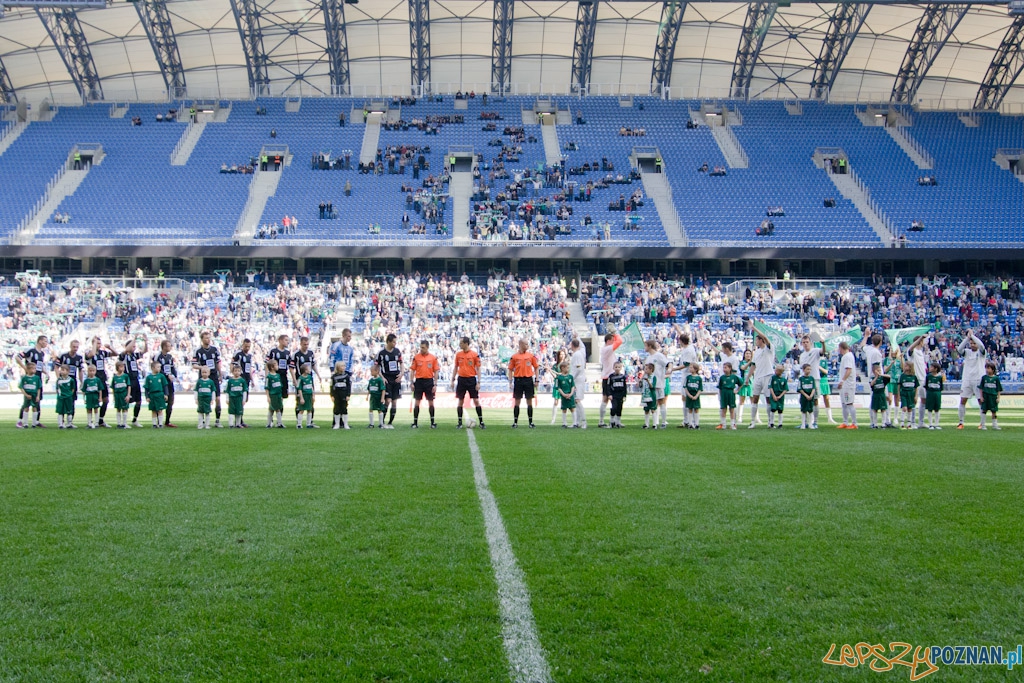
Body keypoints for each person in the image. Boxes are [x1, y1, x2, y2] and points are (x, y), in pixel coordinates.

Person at [451, 337, 485, 429]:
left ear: (466, 344)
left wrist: (479, 382)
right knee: (460, 401)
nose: (459, 344)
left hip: (471, 380)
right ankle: (459, 423)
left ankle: (481, 422)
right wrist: (453, 379)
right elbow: (455, 367)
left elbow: (478, 368)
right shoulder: (458, 354)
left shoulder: (474, 355)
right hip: (461, 379)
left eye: (461, 343)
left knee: (476, 401)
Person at [191, 331, 222, 428]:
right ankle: (202, 421)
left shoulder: (215, 350)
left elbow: (218, 363)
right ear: (202, 339)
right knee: (203, 399)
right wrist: (202, 368)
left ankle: (217, 420)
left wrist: (220, 373)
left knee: (217, 398)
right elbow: (194, 365)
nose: (208, 339)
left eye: (209, 337)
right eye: (206, 338)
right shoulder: (198, 351)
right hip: (203, 378)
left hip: (214, 376)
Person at [17, 336, 49, 427]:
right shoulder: (30, 350)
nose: (46, 343)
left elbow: (39, 366)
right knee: (27, 402)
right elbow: (17, 357)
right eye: (45, 341)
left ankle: (36, 421)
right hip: (29, 379)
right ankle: (20, 420)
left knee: (37, 400)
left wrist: (46, 373)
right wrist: (25, 368)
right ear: (39, 341)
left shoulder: (42, 353)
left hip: (37, 379)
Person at [508, 339, 540, 428]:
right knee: (517, 401)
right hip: (518, 380)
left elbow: (536, 367)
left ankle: (530, 422)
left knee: (529, 401)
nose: (527, 346)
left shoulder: (531, 356)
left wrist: (537, 380)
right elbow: (510, 369)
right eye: (526, 344)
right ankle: (515, 422)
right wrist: (510, 381)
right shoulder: (514, 357)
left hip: (528, 380)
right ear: (521, 344)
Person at [956, 331, 985, 430]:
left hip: (978, 379)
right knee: (963, 400)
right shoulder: (967, 352)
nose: (972, 345)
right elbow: (959, 349)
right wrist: (967, 338)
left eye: (974, 343)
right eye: (971, 343)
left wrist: (972, 335)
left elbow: (981, 345)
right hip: (967, 379)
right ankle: (961, 422)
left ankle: (982, 423)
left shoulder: (981, 353)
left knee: (980, 401)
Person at [375, 334, 404, 429]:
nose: (395, 344)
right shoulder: (381, 353)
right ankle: (381, 422)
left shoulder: (397, 351)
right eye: (394, 342)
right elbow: (376, 367)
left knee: (394, 402)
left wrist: (402, 373)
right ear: (388, 342)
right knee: (388, 400)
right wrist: (382, 377)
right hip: (387, 379)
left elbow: (401, 363)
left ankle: (390, 423)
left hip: (396, 378)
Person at [410, 340, 440, 429]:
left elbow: (436, 371)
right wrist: (411, 382)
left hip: (429, 382)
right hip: (418, 381)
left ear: (427, 347)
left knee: (431, 402)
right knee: (417, 402)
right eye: (420, 347)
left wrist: (435, 384)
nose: (421, 349)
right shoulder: (416, 357)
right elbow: (412, 370)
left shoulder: (433, 358)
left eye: (423, 347)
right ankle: (415, 423)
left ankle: (432, 422)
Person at [85, 337, 114, 427]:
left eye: (100, 343)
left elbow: (115, 354)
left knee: (106, 400)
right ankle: (91, 422)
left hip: (102, 379)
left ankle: (100, 420)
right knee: (93, 402)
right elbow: (92, 354)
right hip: (93, 380)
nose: (99, 345)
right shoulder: (88, 353)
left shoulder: (102, 353)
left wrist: (110, 347)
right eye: (97, 343)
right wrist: (94, 342)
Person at [748, 329, 774, 429]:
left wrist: (754, 328)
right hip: (757, 377)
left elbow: (766, 338)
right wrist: (748, 378)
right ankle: (753, 421)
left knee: (768, 399)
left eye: (757, 339)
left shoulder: (769, 348)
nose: (756, 341)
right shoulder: (757, 352)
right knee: (755, 398)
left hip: (767, 375)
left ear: (761, 340)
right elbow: (753, 366)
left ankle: (770, 422)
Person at [671, 331, 698, 428]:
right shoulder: (688, 349)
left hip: (688, 375)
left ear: (682, 341)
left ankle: (690, 420)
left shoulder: (688, 350)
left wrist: (673, 369)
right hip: (685, 374)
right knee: (684, 397)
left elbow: (686, 364)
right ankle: (688, 420)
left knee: (687, 397)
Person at [292, 336, 319, 428]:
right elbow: (292, 368)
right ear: (301, 344)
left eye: (307, 344)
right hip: (301, 381)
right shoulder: (296, 355)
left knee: (311, 400)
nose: (306, 346)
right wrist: (294, 380)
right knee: (299, 401)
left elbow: (313, 365)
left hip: (309, 381)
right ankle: (299, 422)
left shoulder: (311, 353)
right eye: (304, 344)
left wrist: (318, 375)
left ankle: (310, 422)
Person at [598, 329, 623, 428]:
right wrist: (615, 333)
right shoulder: (606, 349)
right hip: (608, 377)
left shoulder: (607, 349)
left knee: (616, 399)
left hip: (611, 376)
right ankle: (601, 421)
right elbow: (620, 341)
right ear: (609, 341)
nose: (614, 342)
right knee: (605, 399)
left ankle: (615, 421)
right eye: (612, 340)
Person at [644, 339, 670, 429]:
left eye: (645, 346)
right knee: (652, 403)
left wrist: (669, 369)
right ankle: (655, 422)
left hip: (658, 382)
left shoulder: (659, 355)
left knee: (661, 401)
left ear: (650, 346)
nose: (644, 348)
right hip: (650, 385)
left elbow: (668, 363)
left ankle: (663, 422)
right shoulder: (648, 358)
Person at [120, 337, 146, 428]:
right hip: (128, 380)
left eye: (135, 346)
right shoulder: (123, 356)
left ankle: (135, 419)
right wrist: (134, 338)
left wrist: (145, 341)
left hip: (136, 379)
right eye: (132, 346)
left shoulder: (134, 356)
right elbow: (126, 350)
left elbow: (144, 351)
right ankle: (123, 421)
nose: (134, 348)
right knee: (126, 401)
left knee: (138, 401)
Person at [57, 339, 85, 424]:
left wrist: (81, 381)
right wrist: (59, 378)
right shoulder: (63, 356)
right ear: (70, 346)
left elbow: (80, 370)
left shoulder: (79, 358)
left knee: (72, 401)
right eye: (74, 347)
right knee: (62, 400)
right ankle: (61, 421)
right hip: (63, 382)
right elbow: (56, 367)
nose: (75, 348)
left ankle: (70, 421)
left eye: (77, 347)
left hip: (72, 382)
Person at [797, 336, 823, 427]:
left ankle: (815, 422)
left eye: (807, 342)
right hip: (804, 380)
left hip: (814, 378)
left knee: (815, 400)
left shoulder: (815, 351)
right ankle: (806, 422)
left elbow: (823, 351)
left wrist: (823, 343)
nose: (805, 344)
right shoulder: (802, 355)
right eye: (803, 342)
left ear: (810, 343)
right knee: (804, 400)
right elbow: (802, 368)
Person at [907, 333, 929, 428]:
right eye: (922, 341)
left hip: (923, 379)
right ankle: (912, 422)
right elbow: (910, 348)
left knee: (924, 400)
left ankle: (921, 421)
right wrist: (921, 337)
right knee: (913, 401)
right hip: (915, 379)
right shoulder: (913, 351)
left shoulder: (922, 352)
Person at [155, 339, 178, 427]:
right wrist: (166, 374)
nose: (170, 347)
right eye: (168, 346)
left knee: (171, 401)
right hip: (161, 382)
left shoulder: (170, 357)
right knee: (161, 401)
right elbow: (157, 368)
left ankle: (167, 421)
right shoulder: (158, 356)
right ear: (164, 347)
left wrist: (175, 376)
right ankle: (158, 421)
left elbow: (172, 368)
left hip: (169, 382)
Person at [837, 341, 858, 429]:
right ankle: (845, 422)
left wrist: (842, 380)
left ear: (841, 348)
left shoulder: (848, 356)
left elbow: (848, 370)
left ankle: (854, 423)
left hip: (848, 384)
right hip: (845, 385)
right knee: (844, 404)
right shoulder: (846, 356)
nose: (838, 350)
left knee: (849, 403)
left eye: (839, 348)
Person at [267, 335, 292, 403]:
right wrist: (267, 375)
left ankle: (279, 412)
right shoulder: (273, 351)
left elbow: (290, 366)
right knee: (274, 395)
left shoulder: (287, 353)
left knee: (283, 396)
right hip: (275, 377)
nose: (287, 342)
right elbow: (266, 363)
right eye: (286, 340)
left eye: (288, 340)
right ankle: (273, 410)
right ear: (280, 341)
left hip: (284, 376)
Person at [18, 362, 43, 429]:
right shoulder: (24, 378)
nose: (34, 370)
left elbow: (38, 388)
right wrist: (26, 395)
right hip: (27, 396)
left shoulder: (37, 378)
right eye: (33, 369)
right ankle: (25, 423)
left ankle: (34, 424)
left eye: (35, 368)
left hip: (34, 395)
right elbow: (21, 387)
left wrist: (38, 396)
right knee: (26, 408)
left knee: (34, 408)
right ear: (28, 369)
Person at [569, 338, 588, 429]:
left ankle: (583, 421)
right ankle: (577, 422)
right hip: (578, 379)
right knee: (576, 401)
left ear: (572, 345)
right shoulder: (581, 352)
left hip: (578, 380)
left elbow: (578, 368)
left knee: (577, 400)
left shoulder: (577, 354)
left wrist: (571, 378)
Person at [144, 360, 169, 428]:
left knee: (160, 410)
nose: (159, 368)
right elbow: (146, 388)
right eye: (158, 367)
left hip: (160, 394)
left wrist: (166, 394)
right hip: (152, 395)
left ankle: (160, 424)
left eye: (160, 367)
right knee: (153, 410)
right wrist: (147, 397)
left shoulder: (161, 376)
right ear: (153, 368)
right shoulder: (149, 377)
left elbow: (165, 386)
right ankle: (154, 424)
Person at [717, 362, 741, 430]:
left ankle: (733, 424)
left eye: (725, 367)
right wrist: (721, 396)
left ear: (730, 368)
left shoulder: (734, 377)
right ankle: (723, 424)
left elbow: (741, 383)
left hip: (731, 393)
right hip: (724, 393)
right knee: (723, 409)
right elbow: (720, 388)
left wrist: (737, 390)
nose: (724, 369)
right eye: (723, 368)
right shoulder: (722, 378)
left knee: (732, 409)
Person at [979, 362, 1002, 430]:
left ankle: (994, 425)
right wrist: (981, 396)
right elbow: (981, 388)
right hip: (986, 396)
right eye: (986, 368)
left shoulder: (996, 379)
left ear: (993, 369)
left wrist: (998, 397)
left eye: (988, 368)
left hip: (993, 397)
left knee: (994, 411)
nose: (987, 370)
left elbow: (998, 389)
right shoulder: (984, 378)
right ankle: (983, 425)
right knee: (984, 410)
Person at [883, 346, 903, 429]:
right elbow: (885, 370)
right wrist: (891, 363)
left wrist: (901, 358)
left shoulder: (899, 359)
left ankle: (895, 418)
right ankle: (888, 417)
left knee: (897, 399)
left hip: (897, 380)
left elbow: (903, 368)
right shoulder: (887, 359)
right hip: (890, 380)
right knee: (889, 398)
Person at [330, 361, 352, 430]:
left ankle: (345, 424)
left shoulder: (347, 376)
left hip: (344, 395)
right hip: (337, 395)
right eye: (342, 366)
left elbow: (349, 386)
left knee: (344, 408)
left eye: (344, 366)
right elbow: (331, 386)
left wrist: (348, 395)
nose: (344, 367)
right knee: (337, 409)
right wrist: (332, 395)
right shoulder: (334, 377)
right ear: (338, 367)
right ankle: (337, 424)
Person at [898, 361, 919, 429]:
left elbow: (916, 387)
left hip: (911, 394)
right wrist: (898, 395)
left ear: (910, 367)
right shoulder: (902, 376)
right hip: (904, 394)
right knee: (904, 408)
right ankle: (902, 423)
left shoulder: (914, 377)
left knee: (910, 409)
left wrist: (916, 396)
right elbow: (899, 386)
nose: (904, 367)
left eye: (906, 366)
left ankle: (909, 424)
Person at [555, 361, 576, 428]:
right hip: (564, 396)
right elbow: (558, 387)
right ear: (562, 368)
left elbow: (573, 386)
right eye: (567, 367)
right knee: (564, 409)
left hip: (570, 395)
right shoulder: (559, 378)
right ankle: (564, 423)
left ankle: (574, 423)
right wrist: (563, 394)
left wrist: (571, 393)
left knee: (572, 408)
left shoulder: (570, 377)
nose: (568, 369)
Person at [226, 364, 248, 428]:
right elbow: (227, 391)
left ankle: (238, 424)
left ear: (240, 372)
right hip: (232, 398)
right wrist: (227, 399)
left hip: (239, 398)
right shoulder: (230, 381)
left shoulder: (242, 381)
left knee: (239, 411)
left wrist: (244, 400)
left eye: (238, 371)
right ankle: (231, 424)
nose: (237, 372)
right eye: (235, 371)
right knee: (231, 411)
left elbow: (244, 391)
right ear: (233, 372)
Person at [868, 364, 890, 430]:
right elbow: (871, 384)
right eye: (878, 370)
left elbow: (889, 376)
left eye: (880, 370)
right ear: (874, 371)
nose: (879, 371)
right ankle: (875, 424)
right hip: (875, 395)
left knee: (883, 409)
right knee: (875, 409)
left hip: (882, 395)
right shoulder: (872, 378)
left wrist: (881, 375)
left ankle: (883, 424)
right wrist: (876, 377)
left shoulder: (883, 378)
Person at [111, 361, 132, 429]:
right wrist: (113, 396)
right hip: (117, 395)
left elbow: (129, 386)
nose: (122, 368)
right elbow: (113, 387)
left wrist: (128, 395)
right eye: (121, 367)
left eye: (123, 367)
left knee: (125, 408)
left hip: (124, 394)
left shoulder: (125, 376)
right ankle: (119, 423)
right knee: (118, 409)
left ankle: (124, 423)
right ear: (117, 368)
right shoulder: (115, 377)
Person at [607, 361, 628, 429]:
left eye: (619, 367)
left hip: (621, 395)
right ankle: (612, 421)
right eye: (616, 367)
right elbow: (608, 386)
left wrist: (625, 395)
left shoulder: (623, 377)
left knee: (619, 408)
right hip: (614, 395)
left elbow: (625, 387)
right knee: (614, 407)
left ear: (621, 368)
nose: (617, 368)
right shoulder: (611, 376)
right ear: (613, 367)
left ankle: (618, 422)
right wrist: (609, 394)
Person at [55, 364, 76, 429]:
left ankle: (69, 423)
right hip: (61, 398)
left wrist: (69, 394)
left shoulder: (71, 380)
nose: (61, 371)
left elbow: (73, 388)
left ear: (68, 371)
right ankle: (60, 424)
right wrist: (59, 395)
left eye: (63, 370)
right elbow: (57, 389)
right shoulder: (59, 380)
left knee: (69, 410)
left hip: (68, 397)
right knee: (60, 411)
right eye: (61, 370)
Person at [82, 364, 103, 429]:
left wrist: (100, 397)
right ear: (88, 371)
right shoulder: (86, 381)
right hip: (89, 396)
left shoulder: (97, 380)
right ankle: (89, 423)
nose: (92, 372)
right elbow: (84, 391)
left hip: (95, 396)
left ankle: (96, 423)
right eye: (90, 371)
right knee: (89, 409)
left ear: (95, 371)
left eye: (93, 371)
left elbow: (100, 390)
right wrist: (84, 398)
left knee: (96, 409)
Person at [265, 359, 284, 428]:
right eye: (276, 365)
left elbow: (280, 386)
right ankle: (269, 423)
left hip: (278, 395)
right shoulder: (269, 377)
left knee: (278, 408)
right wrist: (268, 397)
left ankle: (279, 423)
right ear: (272, 367)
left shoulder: (278, 376)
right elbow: (267, 387)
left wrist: (281, 395)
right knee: (271, 409)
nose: (278, 366)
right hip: (273, 395)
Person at [683, 362, 703, 429]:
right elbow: (685, 387)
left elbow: (700, 388)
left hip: (696, 395)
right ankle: (690, 424)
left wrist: (696, 396)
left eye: (691, 367)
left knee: (696, 409)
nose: (690, 369)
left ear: (695, 369)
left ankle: (697, 424)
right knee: (690, 409)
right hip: (689, 395)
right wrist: (689, 395)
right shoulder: (688, 377)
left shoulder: (699, 378)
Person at [737, 349, 755, 425]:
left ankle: (755, 418)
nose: (748, 355)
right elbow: (743, 368)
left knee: (753, 401)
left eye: (749, 353)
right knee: (742, 400)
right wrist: (749, 362)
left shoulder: (754, 363)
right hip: (743, 383)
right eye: (746, 353)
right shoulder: (742, 362)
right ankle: (740, 417)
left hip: (751, 382)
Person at [925, 362, 944, 430]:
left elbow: (941, 387)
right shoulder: (928, 376)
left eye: (931, 367)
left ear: (936, 369)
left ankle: (936, 424)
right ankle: (930, 424)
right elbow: (926, 386)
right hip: (930, 393)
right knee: (930, 409)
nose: (930, 368)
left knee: (937, 409)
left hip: (937, 393)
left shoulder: (939, 377)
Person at [798, 364, 818, 430]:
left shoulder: (812, 378)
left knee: (810, 410)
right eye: (807, 369)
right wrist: (806, 395)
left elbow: (814, 388)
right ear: (803, 370)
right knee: (804, 410)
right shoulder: (801, 379)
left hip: (810, 396)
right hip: (804, 397)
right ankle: (803, 424)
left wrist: (811, 395)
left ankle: (810, 424)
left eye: (810, 369)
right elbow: (800, 389)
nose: (809, 370)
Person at [768, 364, 788, 429]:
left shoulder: (784, 379)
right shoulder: (773, 378)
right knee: (773, 409)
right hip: (774, 395)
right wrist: (773, 395)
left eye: (777, 370)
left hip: (780, 397)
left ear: (780, 372)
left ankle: (780, 424)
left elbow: (785, 389)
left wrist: (780, 396)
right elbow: (770, 387)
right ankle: (771, 423)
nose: (775, 371)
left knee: (780, 410)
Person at [367, 364, 386, 429]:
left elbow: (383, 389)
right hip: (372, 398)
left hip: (378, 397)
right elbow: (369, 389)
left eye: (372, 371)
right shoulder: (370, 380)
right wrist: (367, 396)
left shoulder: (380, 380)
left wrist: (382, 398)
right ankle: (371, 424)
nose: (371, 373)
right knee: (370, 409)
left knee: (379, 410)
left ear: (377, 371)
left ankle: (381, 424)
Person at [295, 364, 315, 428]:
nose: (310, 370)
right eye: (308, 369)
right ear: (305, 371)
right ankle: (299, 424)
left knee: (309, 409)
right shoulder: (300, 378)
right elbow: (299, 389)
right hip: (304, 395)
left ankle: (308, 424)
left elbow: (312, 387)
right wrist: (301, 398)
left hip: (309, 395)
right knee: (301, 410)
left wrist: (313, 395)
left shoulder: (310, 377)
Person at [640, 363, 658, 429]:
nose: (645, 370)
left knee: (653, 409)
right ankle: (646, 424)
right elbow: (642, 386)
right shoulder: (644, 377)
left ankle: (654, 424)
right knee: (646, 410)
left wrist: (648, 381)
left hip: (651, 395)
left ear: (651, 369)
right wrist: (640, 382)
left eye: (646, 369)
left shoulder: (653, 377)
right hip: (645, 395)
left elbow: (652, 386)